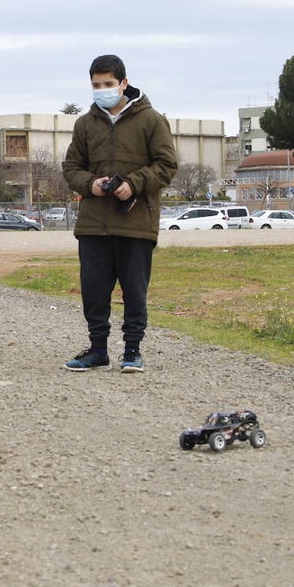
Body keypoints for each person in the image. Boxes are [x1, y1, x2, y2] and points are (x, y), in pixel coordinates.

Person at [61, 54, 178, 373]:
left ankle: (132, 351)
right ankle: (98, 349)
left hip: (136, 223)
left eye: (108, 84)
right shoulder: (85, 124)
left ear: (124, 83)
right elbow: (71, 167)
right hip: (93, 225)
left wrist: (134, 184)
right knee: (94, 291)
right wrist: (91, 184)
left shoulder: (151, 120)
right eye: (96, 85)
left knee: (135, 292)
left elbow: (167, 165)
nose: (102, 90)